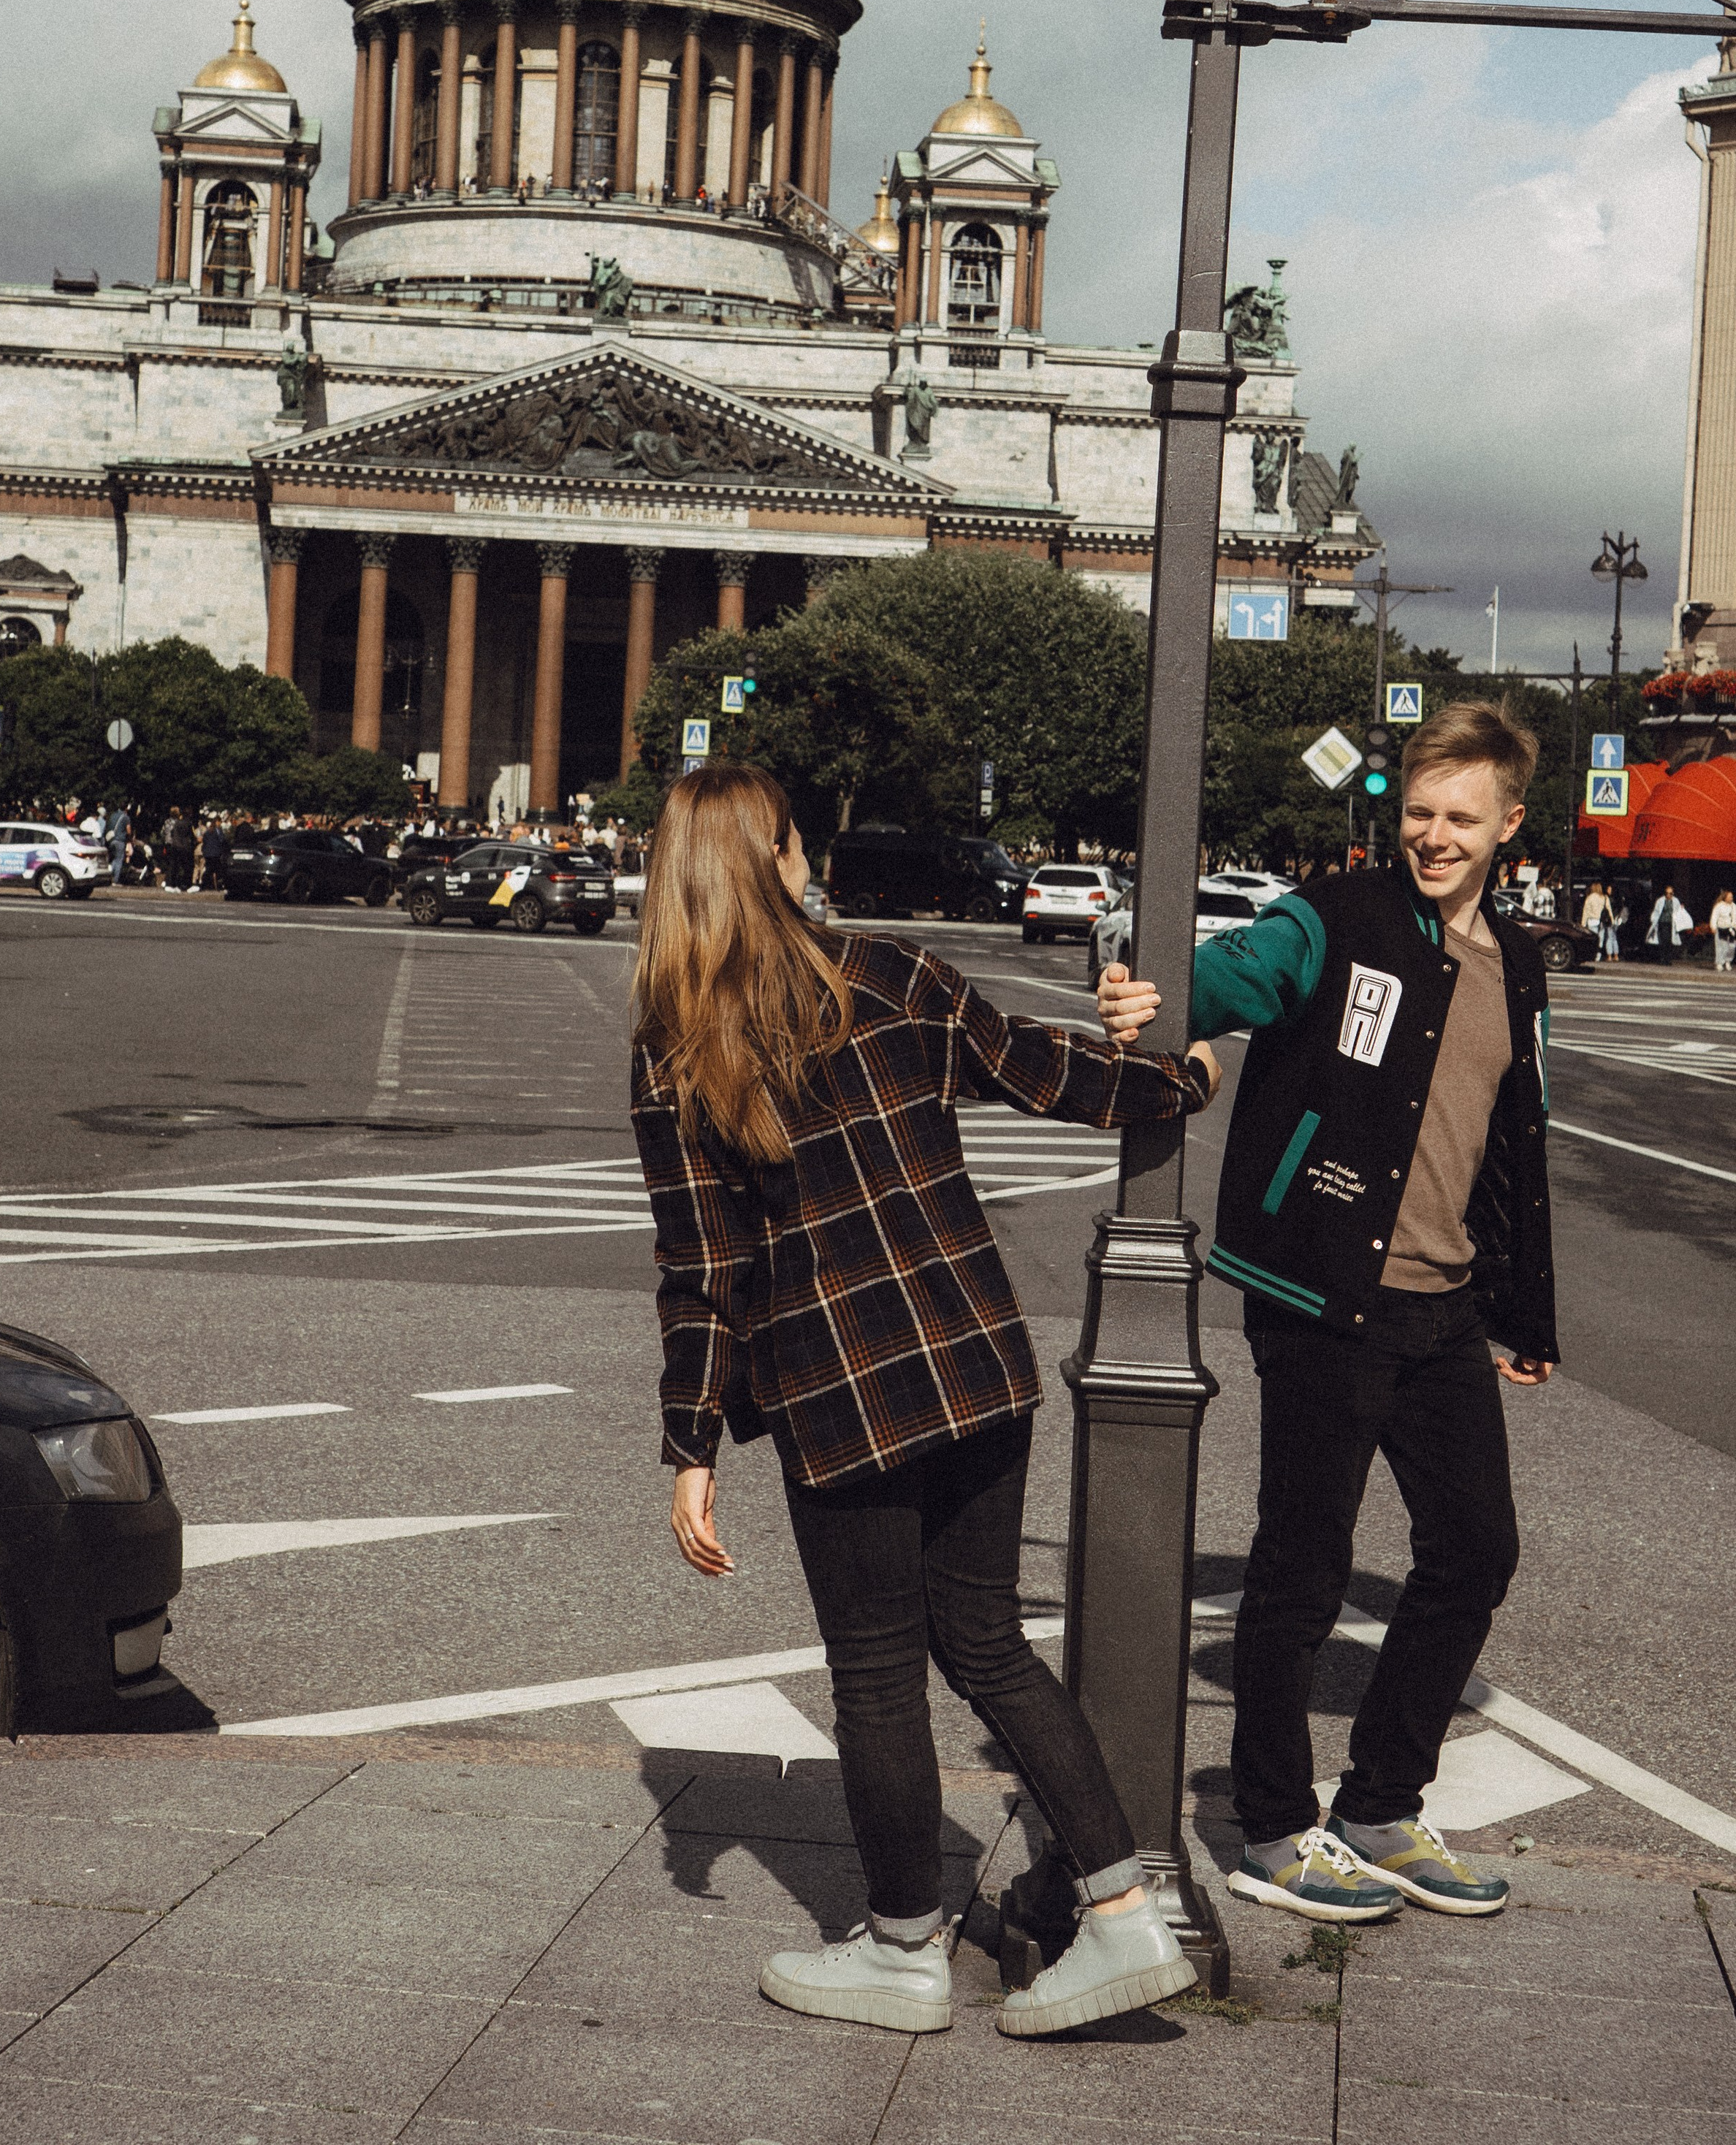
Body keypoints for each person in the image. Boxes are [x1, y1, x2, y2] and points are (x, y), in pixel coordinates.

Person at [631, 763, 1219, 2041]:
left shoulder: (678, 1053)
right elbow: (1056, 1077)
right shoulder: (893, 976)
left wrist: (691, 1445)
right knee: (991, 1645)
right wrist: (1187, 1078)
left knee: (879, 1676)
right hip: (975, 1366)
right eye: (798, 843)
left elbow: (704, 1270)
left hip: (838, 1397)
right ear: (778, 859)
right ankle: (1126, 1913)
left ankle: (903, 1953)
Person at [1103, 700, 1558, 1927]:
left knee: (1476, 1551)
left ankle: (1380, 1810)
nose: (1435, 835)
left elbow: (1514, 1144)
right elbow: (1228, 975)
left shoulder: (1517, 964)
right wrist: (1167, 1008)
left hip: (1443, 1308)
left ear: (1509, 826)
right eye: (1420, 811)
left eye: (1462, 818)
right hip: (1323, 1292)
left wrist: (1528, 1312)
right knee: (1301, 1569)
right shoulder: (1337, 918)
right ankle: (1272, 1829)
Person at [1648, 883, 1693, 963]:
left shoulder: (1676, 901)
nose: (1668, 895)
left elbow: (1678, 911)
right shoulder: (1660, 901)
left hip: (1671, 924)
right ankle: (1663, 958)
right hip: (1662, 923)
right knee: (1663, 940)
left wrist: (1681, 908)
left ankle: (1667, 959)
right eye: (1667, 893)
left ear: (1673, 894)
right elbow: (1656, 911)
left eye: (1670, 893)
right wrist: (1653, 920)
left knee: (1669, 941)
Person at [1711, 888, 1736, 973]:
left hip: (1731, 929)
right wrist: (1713, 927)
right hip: (1722, 928)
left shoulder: (1734, 906)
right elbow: (1714, 917)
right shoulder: (1719, 906)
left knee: (1732, 946)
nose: (1732, 898)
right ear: (1725, 897)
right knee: (1721, 947)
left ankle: (1728, 961)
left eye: (1732, 897)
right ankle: (1719, 963)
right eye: (1730, 897)